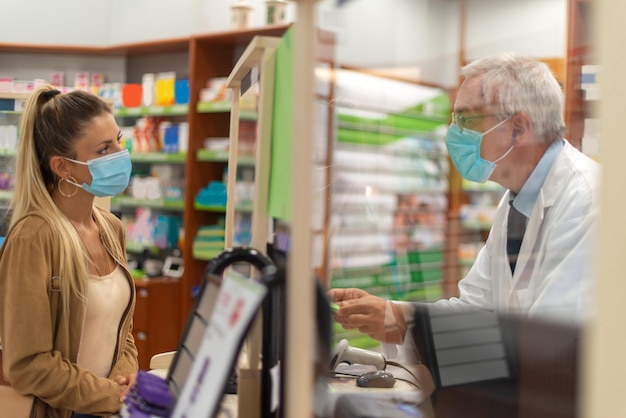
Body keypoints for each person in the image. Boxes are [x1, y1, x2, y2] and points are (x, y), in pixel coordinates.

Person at [329, 52, 601, 345]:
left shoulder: (591, 202)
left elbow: (550, 342)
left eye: (466, 119)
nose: (454, 132)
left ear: (518, 129)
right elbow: (474, 309)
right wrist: (394, 316)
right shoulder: (517, 201)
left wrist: (406, 325)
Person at [0, 85, 139, 417]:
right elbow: (28, 363)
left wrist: (128, 378)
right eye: (104, 149)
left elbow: (123, 330)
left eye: (119, 141)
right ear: (62, 167)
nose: (120, 155)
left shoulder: (110, 227)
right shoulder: (34, 237)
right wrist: (111, 396)